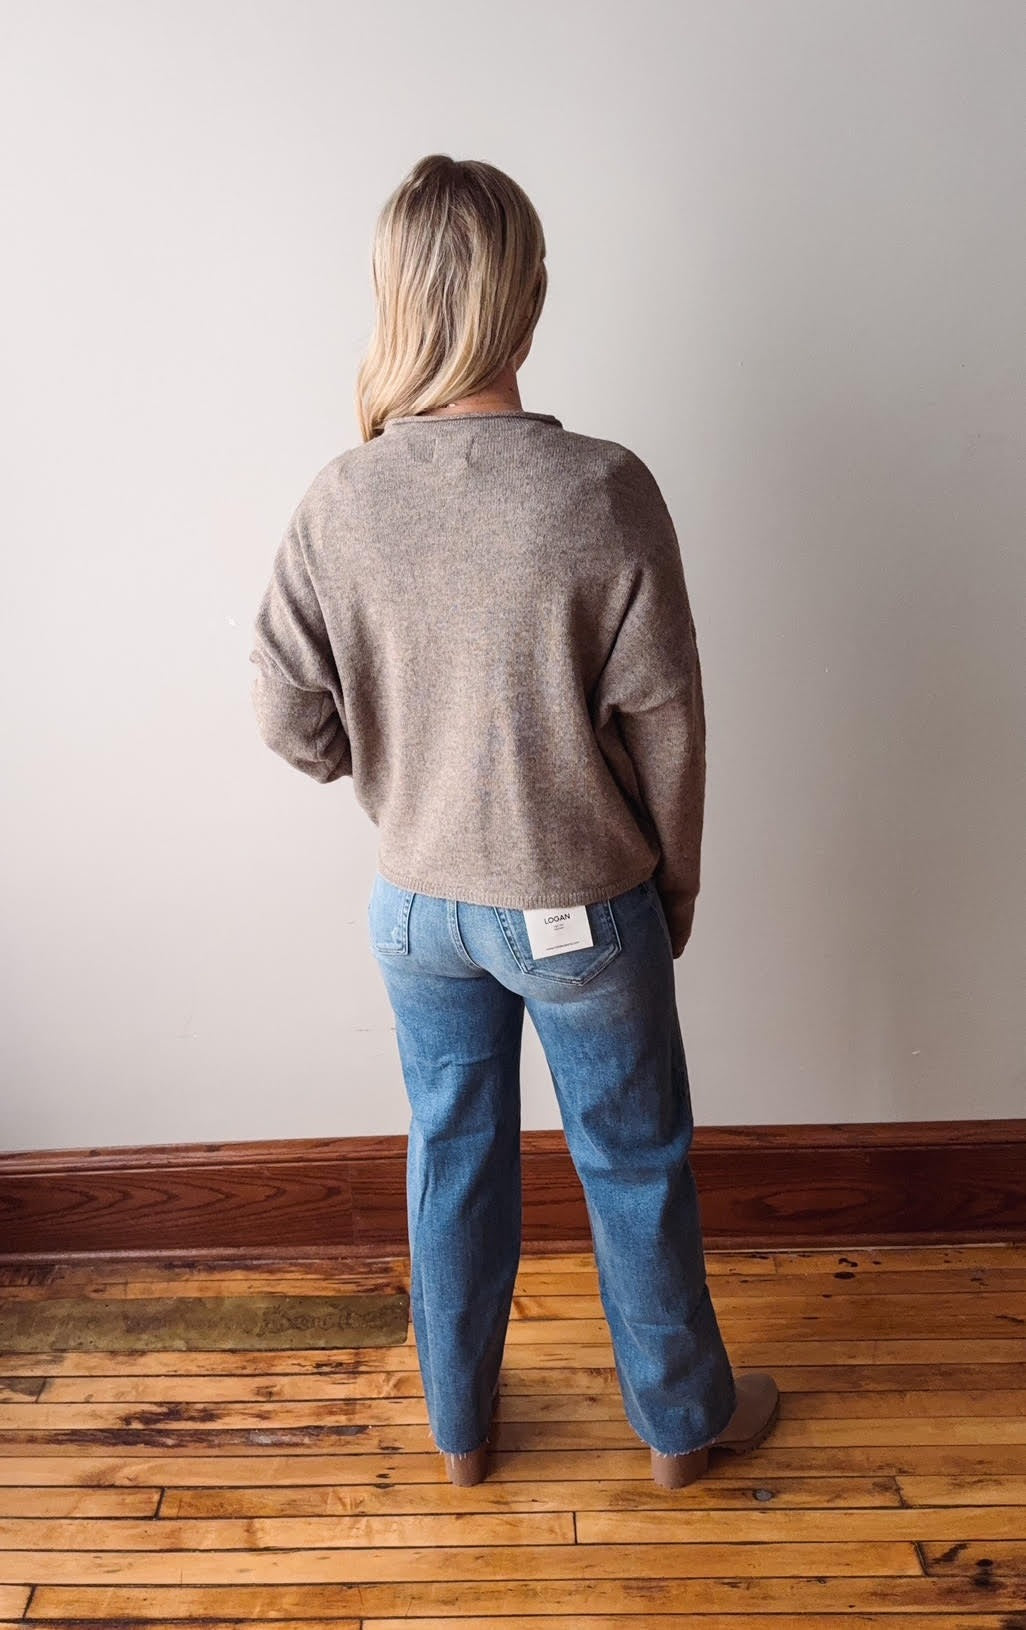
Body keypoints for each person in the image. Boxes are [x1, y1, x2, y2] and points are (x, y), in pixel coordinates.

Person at [249, 152, 779, 1488]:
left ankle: (461, 1427)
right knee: (634, 1161)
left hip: (417, 904)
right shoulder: (600, 489)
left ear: (396, 303)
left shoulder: (339, 497)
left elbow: (281, 705)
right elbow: (666, 717)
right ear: (525, 301)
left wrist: (385, 771)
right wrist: (673, 887)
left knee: (453, 1156)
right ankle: (677, 1429)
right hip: (578, 900)